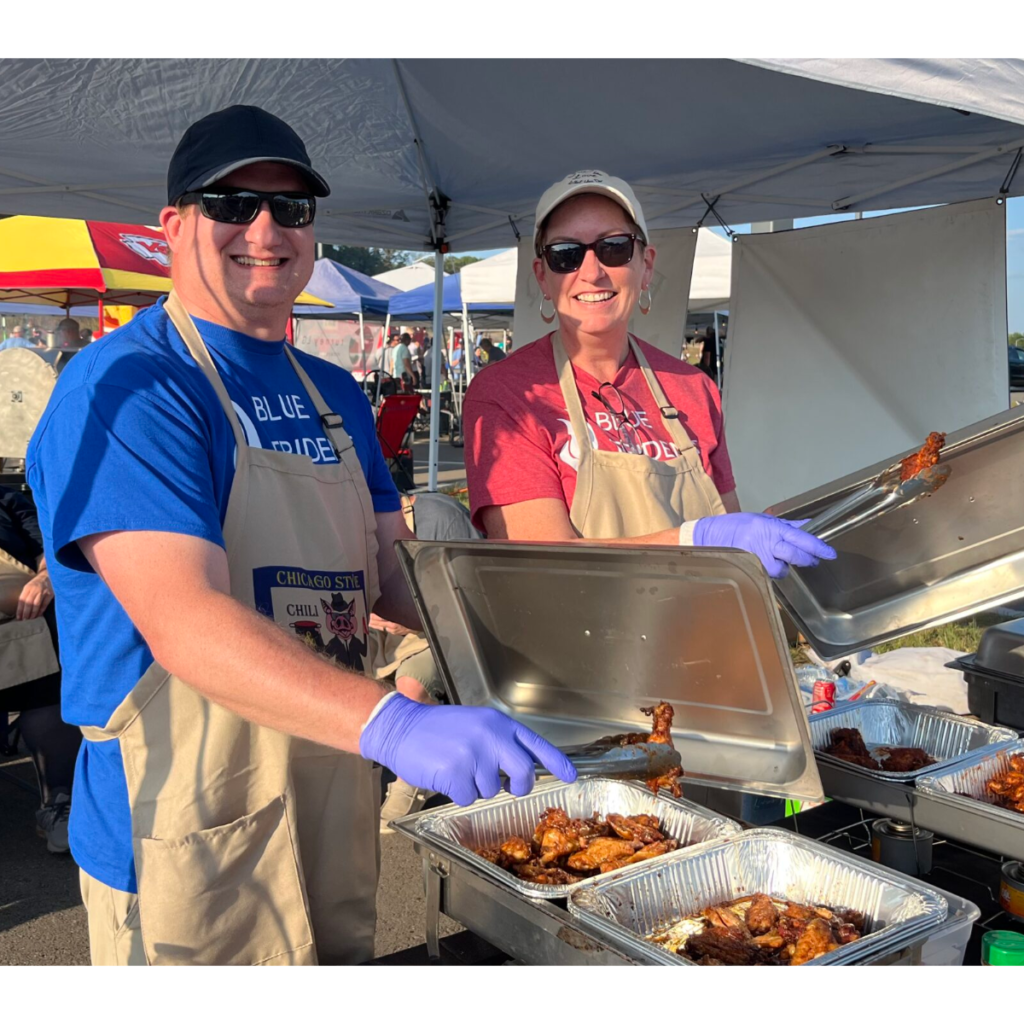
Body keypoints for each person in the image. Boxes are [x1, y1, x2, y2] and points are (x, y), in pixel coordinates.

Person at [27, 105, 574, 968]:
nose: (264, 229)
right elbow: (185, 622)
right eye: (231, 202)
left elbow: (397, 577)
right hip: (184, 823)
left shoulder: (334, 391)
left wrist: (545, 644)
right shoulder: (131, 386)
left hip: (327, 782)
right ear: (173, 226)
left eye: (290, 208)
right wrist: (396, 728)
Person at [464, 170, 834, 580]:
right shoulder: (508, 394)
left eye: (614, 247)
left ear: (646, 265)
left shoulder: (694, 387)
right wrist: (695, 540)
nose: (591, 272)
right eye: (566, 253)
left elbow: (733, 546)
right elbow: (546, 567)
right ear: (542, 277)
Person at [372, 491, 482, 829]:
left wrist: (405, 619)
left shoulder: (439, 518)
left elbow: (470, 599)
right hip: (387, 632)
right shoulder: (355, 516)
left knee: (410, 687)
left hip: (441, 633)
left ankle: (411, 780)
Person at [0, 485, 82, 854]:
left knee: (48, 623)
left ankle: (58, 800)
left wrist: (45, 578)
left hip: (20, 622)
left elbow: (46, 547)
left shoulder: (7, 500)